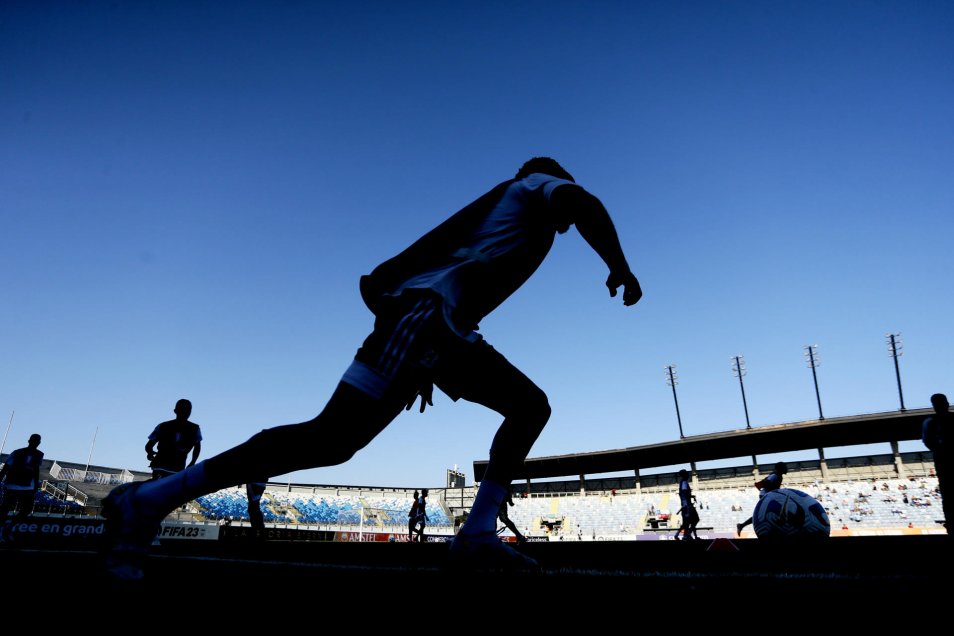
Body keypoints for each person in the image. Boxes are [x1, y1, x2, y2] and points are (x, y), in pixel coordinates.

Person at [100, 156, 643, 580]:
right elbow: (582, 200)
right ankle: (150, 499)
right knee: (337, 436)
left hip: (432, 330)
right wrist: (619, 264)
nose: (570, 216)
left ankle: (149, 500)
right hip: (427, 322)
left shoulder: (519, 222)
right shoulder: (534, 187)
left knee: (337, 439)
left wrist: (426, 360)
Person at [0, 433, 44, 542]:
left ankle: (7, 528)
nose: (35, 443)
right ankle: (6, 529)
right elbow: (36, 470)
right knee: (15, 510)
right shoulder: (35, 454)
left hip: (19, 485)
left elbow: (6, 468)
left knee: (13, 509)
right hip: (19, 485)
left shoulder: (19, 452)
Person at [144, 399, 202, 480]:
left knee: (159, 487)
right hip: (176, 468)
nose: (185, 412)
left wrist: (150, 453)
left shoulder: (163, 426)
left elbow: (149, 446)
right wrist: (192, 462)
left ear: (175, 411)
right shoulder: (195, 428)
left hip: (160, 466)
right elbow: (197, 447)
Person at [922, 393, 951, 533]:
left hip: (943, 461)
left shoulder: (930, 421)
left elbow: (927, 441)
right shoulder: (931, 422)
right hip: (944, 462)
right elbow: (928, 441)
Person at [737, 461, 787, 536]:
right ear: (780, 468)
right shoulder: (775, 475)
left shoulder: (778, 475)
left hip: (768, 495)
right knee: (770, 513)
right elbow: (766, 484)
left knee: (766, 514)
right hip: (766, 495)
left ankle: (742, 525)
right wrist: (775, 491)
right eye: (784, 467)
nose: (786, 468)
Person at [673, 469, 699, 540]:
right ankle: (687, 535)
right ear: (685, 475)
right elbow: (684, 493)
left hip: (686, 504)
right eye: (687, 474)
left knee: (687, 522)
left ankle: (679, 535)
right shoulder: (684, 482)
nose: (688, 475)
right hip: (687, 505)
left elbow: (684, 494)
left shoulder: (683, 482)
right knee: (695, 519)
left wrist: (691, 496)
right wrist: (686, 504)